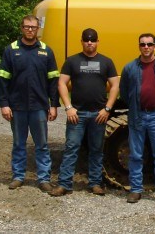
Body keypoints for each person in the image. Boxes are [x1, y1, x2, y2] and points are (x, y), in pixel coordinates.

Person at [50, 28, 119, 197]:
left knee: (96, 150)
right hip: (77, 114)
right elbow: (61, 84)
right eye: (86, 40)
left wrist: (107, 109)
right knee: (71, 148)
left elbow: (116, 86)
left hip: (98, 114)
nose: (90, 43)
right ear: (81, 41)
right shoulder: (72, 61)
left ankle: (95, 183)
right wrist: (68, 107)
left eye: (93, 40)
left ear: (97, 42)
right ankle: (64, 184)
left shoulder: (106, 62)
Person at [0, 14, 60, 193]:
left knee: (42, 145)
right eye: (27, 27)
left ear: (38, 28)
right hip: (17, 107)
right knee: (18, 143)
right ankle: (18, 176)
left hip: (39, 107)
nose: (30, 30)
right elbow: (3, 79)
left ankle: (44, 179)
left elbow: (53, 80)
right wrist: (4, 104)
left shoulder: (46, 51)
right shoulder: (11, 50)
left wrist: (53, 105)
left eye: (33, 27)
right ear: (21, 28)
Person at [121, 33, 155, 203]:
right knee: (136, 154)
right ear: (139, 46)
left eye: (149, 44)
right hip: (137, 114)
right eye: (143, 44)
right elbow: (124, 93)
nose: (146, 47)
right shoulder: (130, 68)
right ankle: (136, 189)